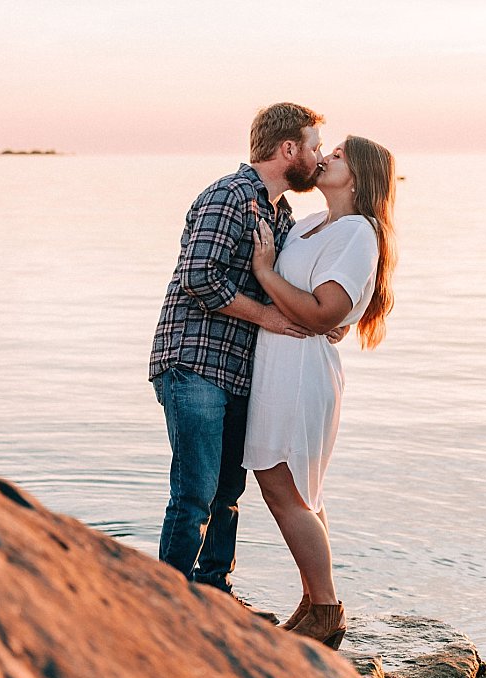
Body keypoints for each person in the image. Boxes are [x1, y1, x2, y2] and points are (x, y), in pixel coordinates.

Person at [149, 102, 325, 615]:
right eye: (313, 146)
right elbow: (199, 277)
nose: (317, 157)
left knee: (228, 491)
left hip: (239, 373)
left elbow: (287, 289)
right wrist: (266, 318)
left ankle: (214, 597)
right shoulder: (228, 195)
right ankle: (166, 605)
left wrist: (323, 318)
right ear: (288, 148)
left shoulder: (282, 213)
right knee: (196, 492)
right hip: (194, 362)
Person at [243, 136, 397, 649]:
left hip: (302, 371)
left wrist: (266, 273)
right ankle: (313, 600)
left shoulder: (358, 232)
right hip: (278, 364)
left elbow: (323, 311)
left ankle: (328, 608)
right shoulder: (311, 224)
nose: (325, 157)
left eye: (338, 156)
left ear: (358, 176)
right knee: (301, 489)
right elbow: (313, 303)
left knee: (283, 484)